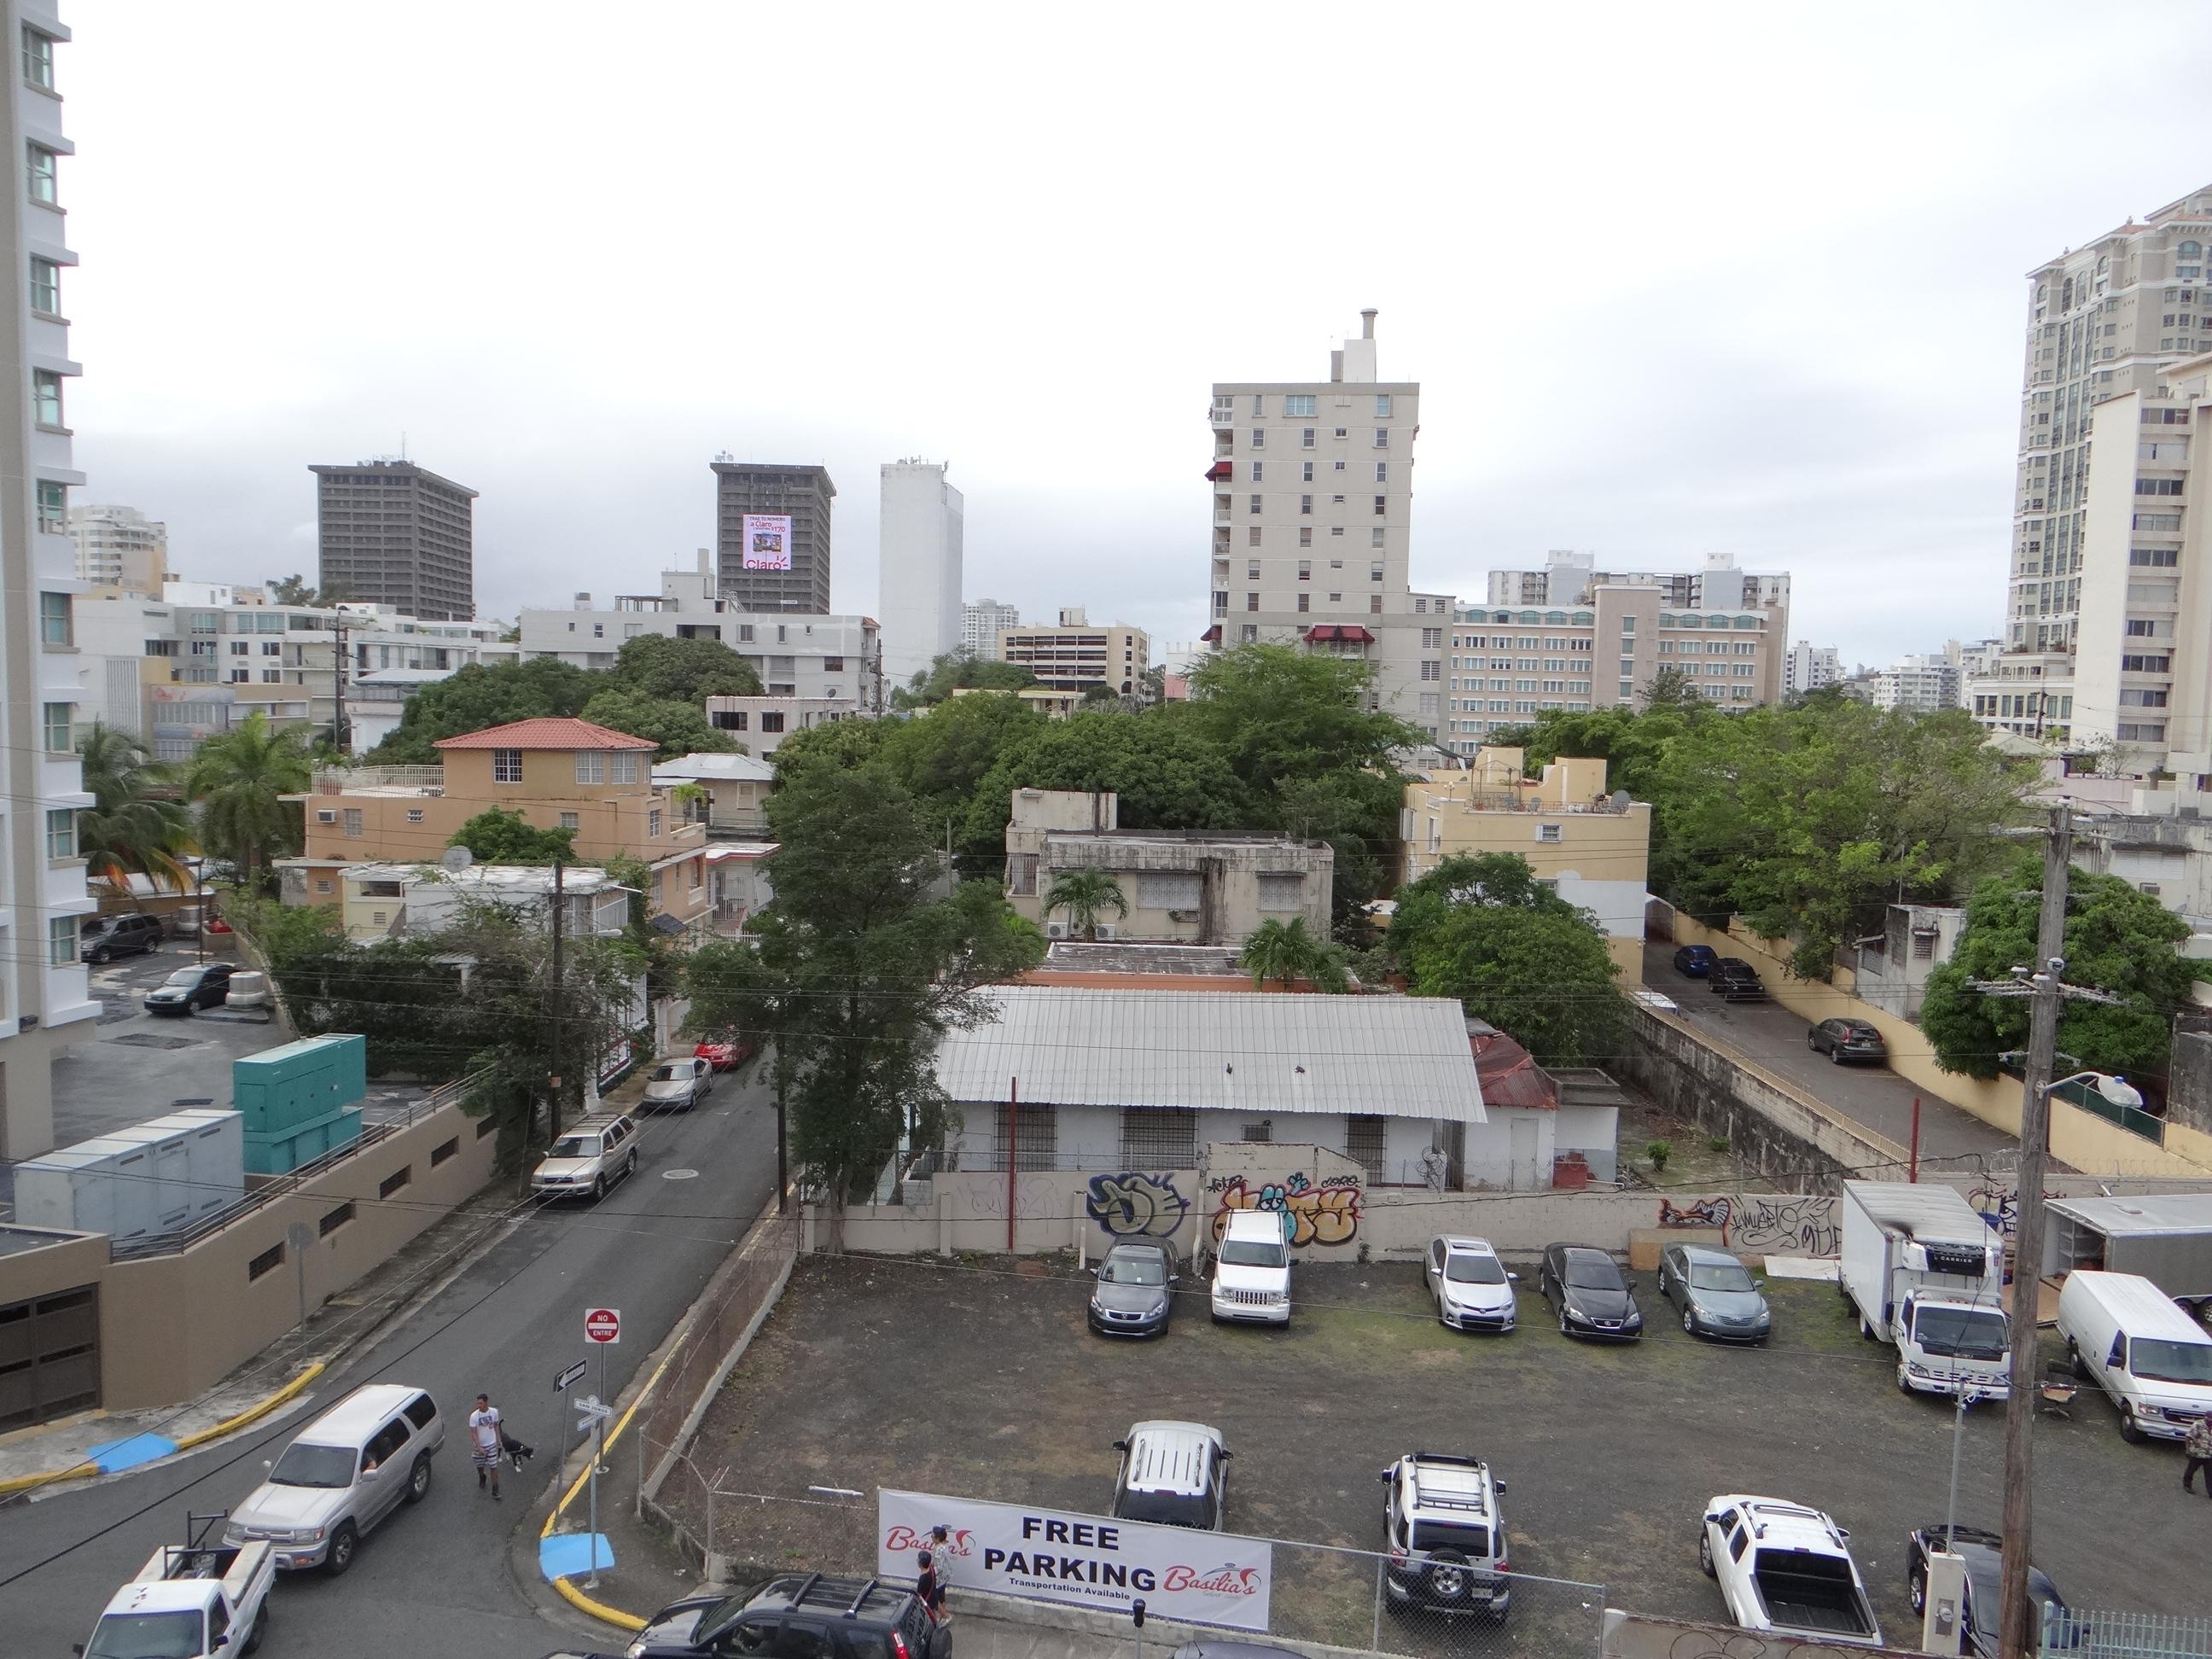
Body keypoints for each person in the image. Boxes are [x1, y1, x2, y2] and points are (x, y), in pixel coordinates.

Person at [469, 1394, 504, 1500]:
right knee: (480, 1466)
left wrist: (498, 1439)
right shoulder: (474, 1416)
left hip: (491, 1444)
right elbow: (474, 1433)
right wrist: (479, 1447)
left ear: (486, 1402)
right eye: (478, 1403)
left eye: (481, 1403)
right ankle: (482, 1476)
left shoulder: (494, 1412)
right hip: (480, 1447)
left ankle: (495, 1489)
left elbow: (496, 1425)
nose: (479, 1405)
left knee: (493, 1467)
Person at [2185, 1413, 2212, 1499]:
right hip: (2197, 1453)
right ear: (2206, 1417)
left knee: (2210, 1474)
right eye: (2210, 1418)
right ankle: (2187, 1485)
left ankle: (2211, 1492)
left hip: (2209, 1455)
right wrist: (2188, 1450)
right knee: (2191, 1470)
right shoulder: (2198, 1425)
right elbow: (2188, 1437)